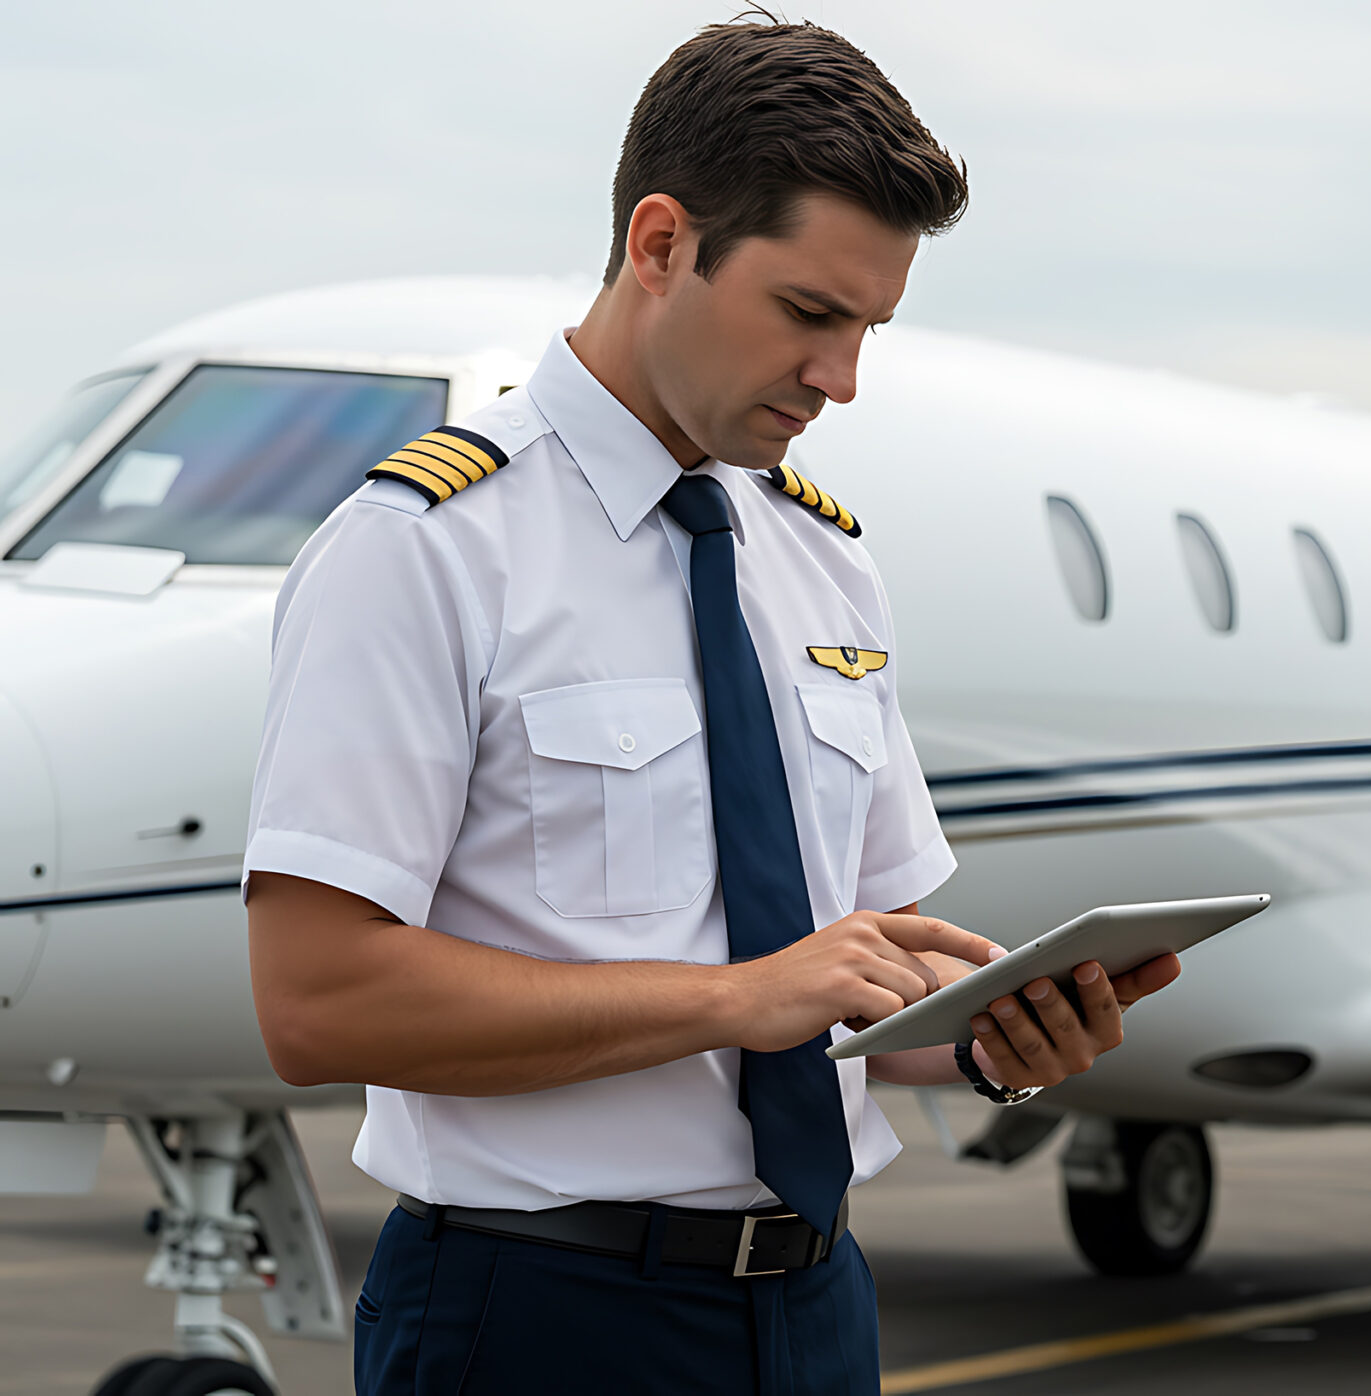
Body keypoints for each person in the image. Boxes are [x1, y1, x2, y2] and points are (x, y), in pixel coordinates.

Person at [239, 18, 1178, 1395]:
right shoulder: (427, 548)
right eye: (809, 314)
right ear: (662, 243)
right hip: (536, 1319)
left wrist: (987, 1042)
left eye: (867, 327)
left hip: (815, 1308)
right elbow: (316, 1003)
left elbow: (848, 994)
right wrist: (737, 998)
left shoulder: (823, 565)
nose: (841, 378)